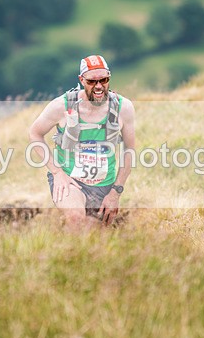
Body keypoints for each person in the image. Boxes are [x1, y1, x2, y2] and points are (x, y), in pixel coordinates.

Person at [29, 55, 135, 226]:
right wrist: (57, 173)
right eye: (92, 81)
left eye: (104, 80)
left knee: (93, 239)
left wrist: (115, 193)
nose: (99, 86)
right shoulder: (62, 106)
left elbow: (129, 150)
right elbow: (35, 133)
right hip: (70, 180)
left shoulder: (124, 108)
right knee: (76, 218)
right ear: (81, 80)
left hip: (104, 184)